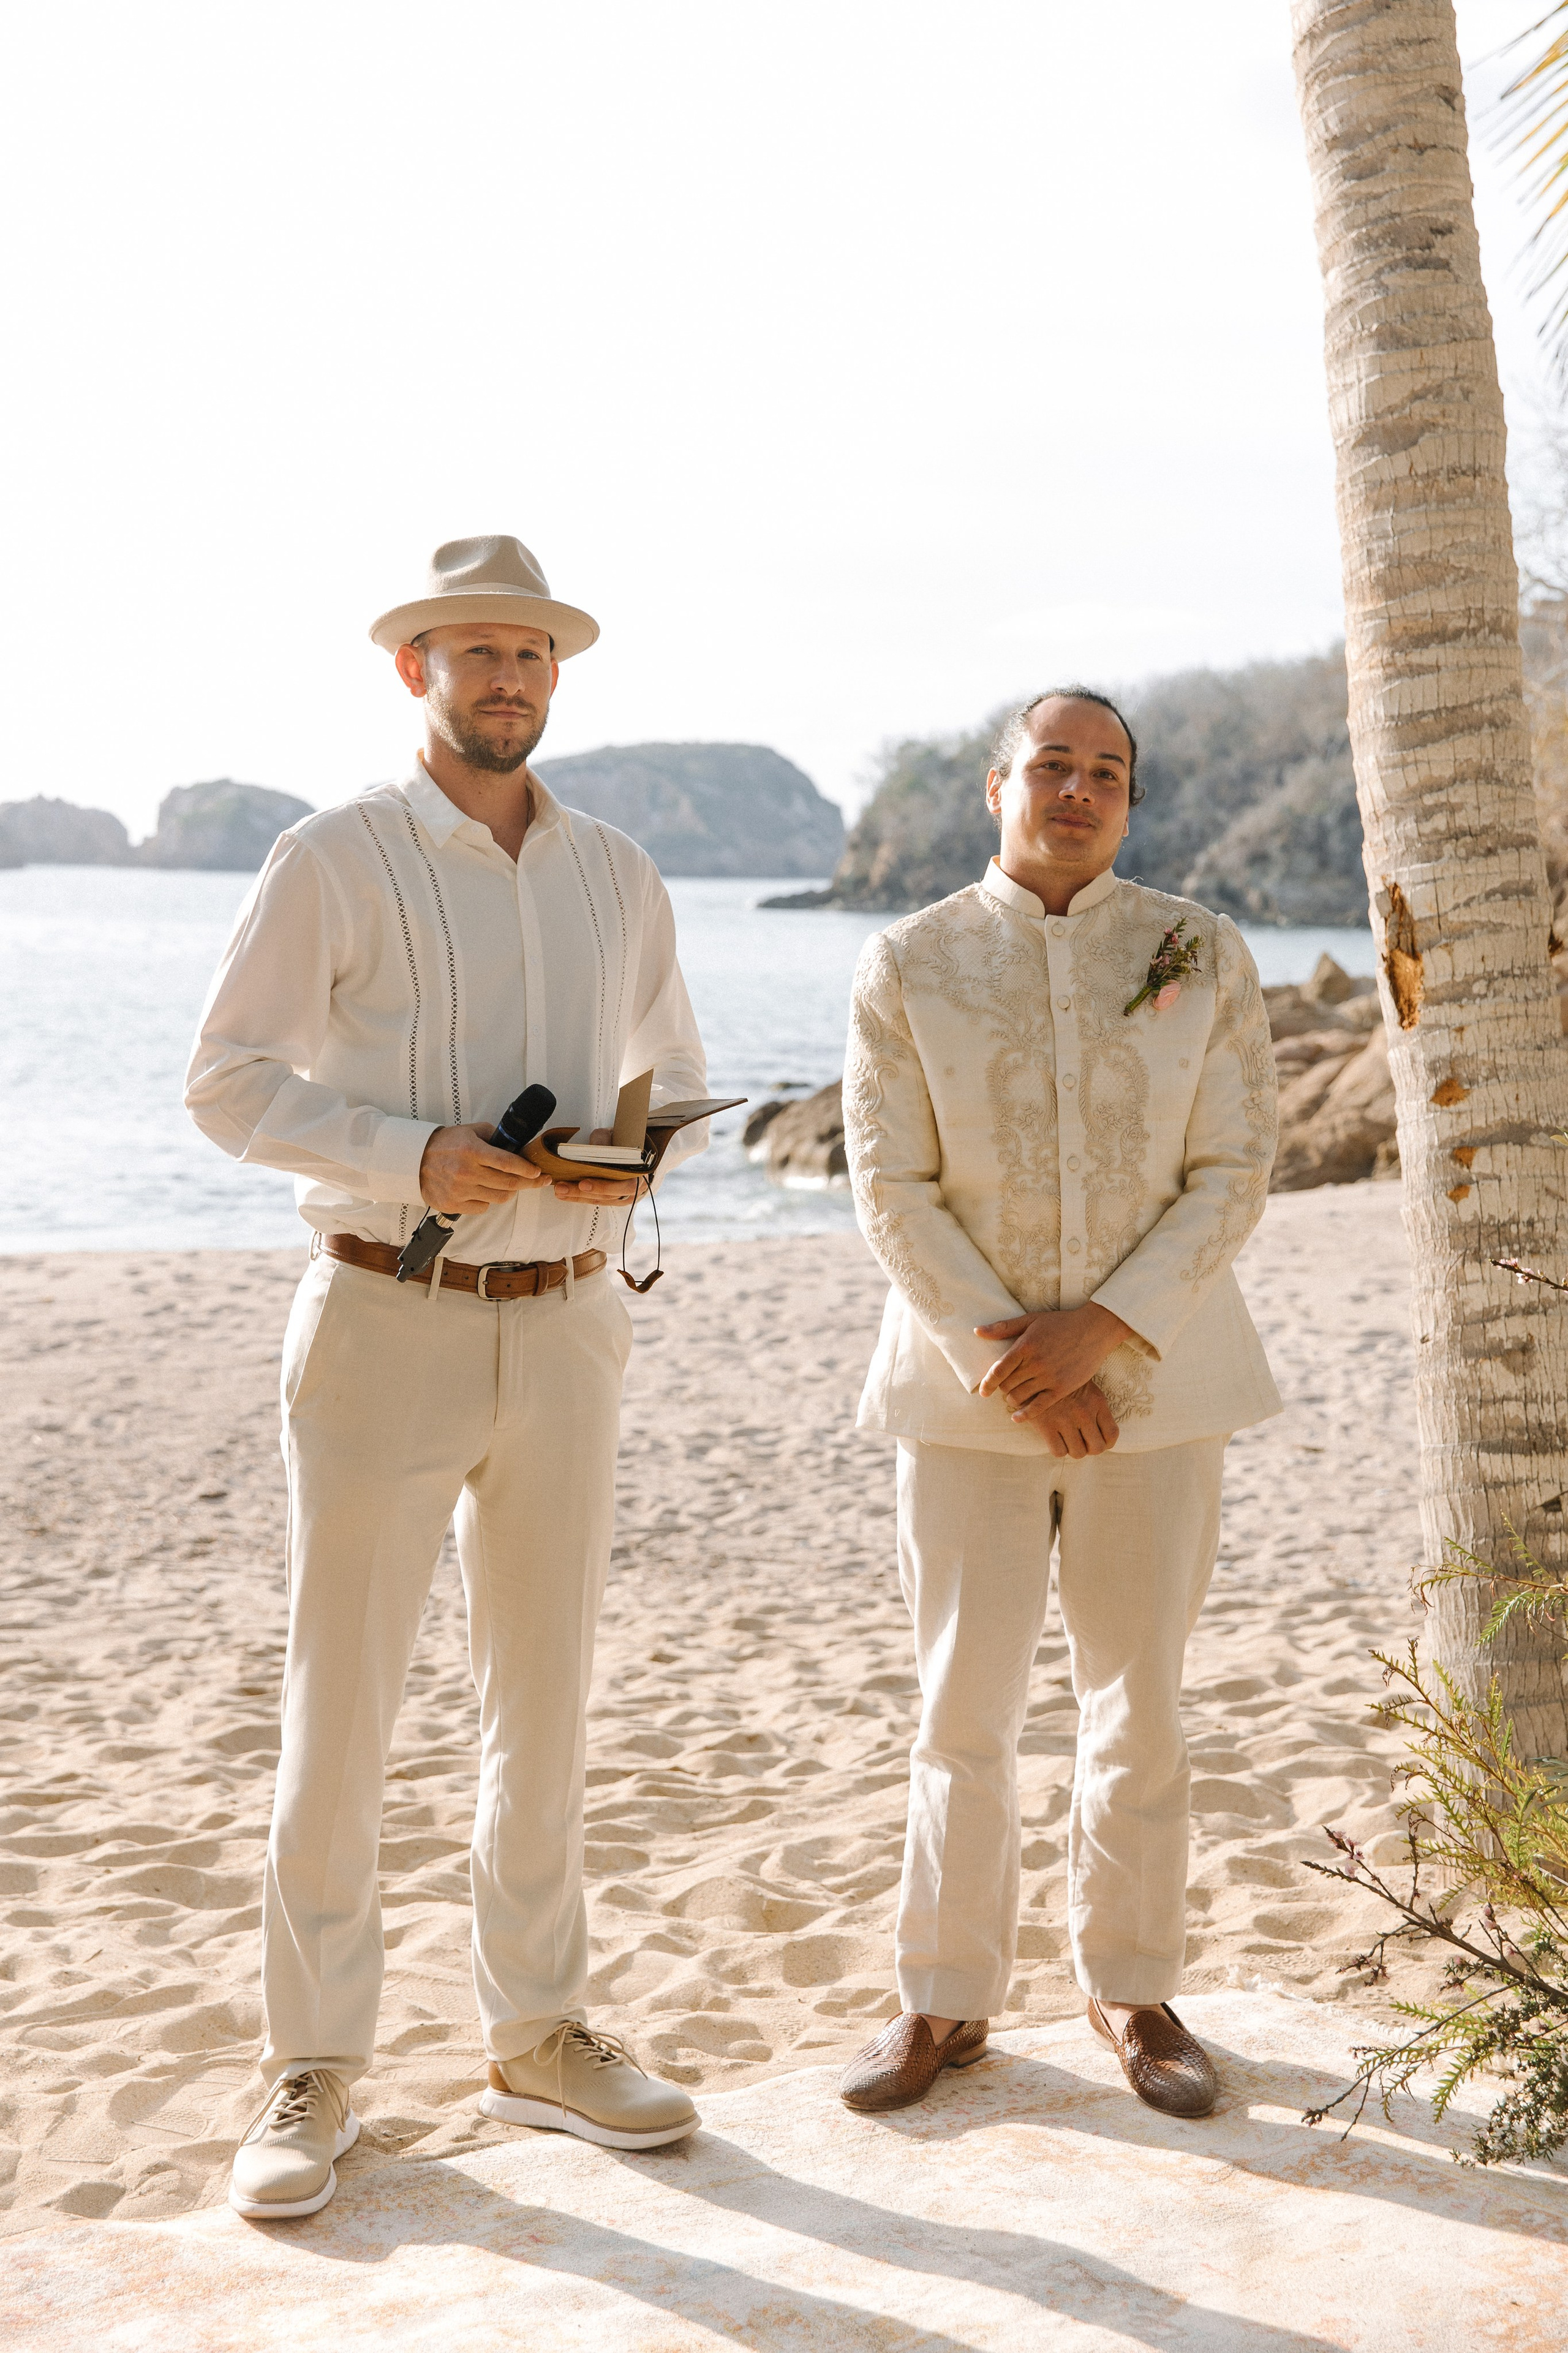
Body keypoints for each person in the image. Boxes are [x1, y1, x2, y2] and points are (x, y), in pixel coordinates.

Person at [187, 535, 710, 2220]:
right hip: (377, 1318)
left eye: (532, 656)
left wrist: (631, 1163)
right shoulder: (330, 857)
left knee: (541, 1701)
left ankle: (540, 2034)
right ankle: (312, 2068)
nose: (507, 679)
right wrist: (416, 1155)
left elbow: (669, 1075)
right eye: (477, 652)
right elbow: (225, 1084)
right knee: (341, 1714)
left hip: (567, 1326)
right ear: (413, 669)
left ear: (558, 677)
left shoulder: (620, 873)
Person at [837, 687, 1281, 2118]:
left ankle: (1132, 1985)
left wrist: (1101, 1334)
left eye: (1105, 772)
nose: (1077, 789)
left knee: (1136, 1698)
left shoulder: (1199, 950)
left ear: (1131, 801)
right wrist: (1010, 1360)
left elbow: (1233, 1167)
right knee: (958, 1707)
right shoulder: (906, 961)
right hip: (965, 1395)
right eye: (1051, 765)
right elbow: (887, 1184)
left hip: (1155, 1384)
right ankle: (941, 2002)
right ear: (995, 788)